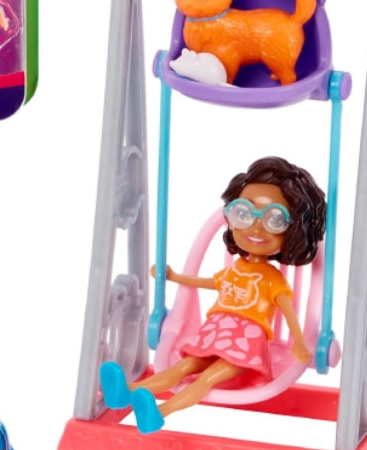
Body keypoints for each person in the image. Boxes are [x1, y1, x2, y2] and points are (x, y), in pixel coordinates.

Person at [100, 156, 326, 432]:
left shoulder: (272, 278)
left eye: (274, 220)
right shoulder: (236, 268)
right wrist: (174, 276)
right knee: (182, 368)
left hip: (245, 344)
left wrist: (299, 342)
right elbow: (209, 282)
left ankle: (159, 413)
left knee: (206, 379)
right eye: (244, 213)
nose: (256, 227)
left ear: (292, 232)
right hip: (215, 334)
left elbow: (287, 309)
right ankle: (126, 392)